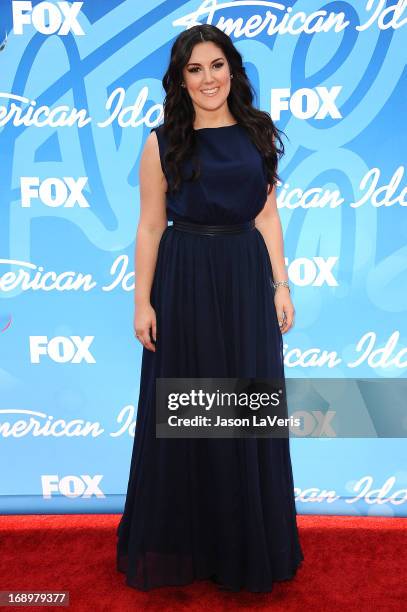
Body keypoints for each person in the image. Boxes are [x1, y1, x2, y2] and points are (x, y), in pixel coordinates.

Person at [117, 23, 304, 593]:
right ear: (180, 78)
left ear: (233, 70)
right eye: (194, 69)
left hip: (246, 278)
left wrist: (282, 283)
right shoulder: (161, 142)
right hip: (186, 278)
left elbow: (267, 215)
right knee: (187, 412)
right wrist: (142, 300)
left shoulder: (258, 132)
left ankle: (245, 545)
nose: (208, 79)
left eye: (216, 65)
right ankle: (188, 545)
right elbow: (151, 225)